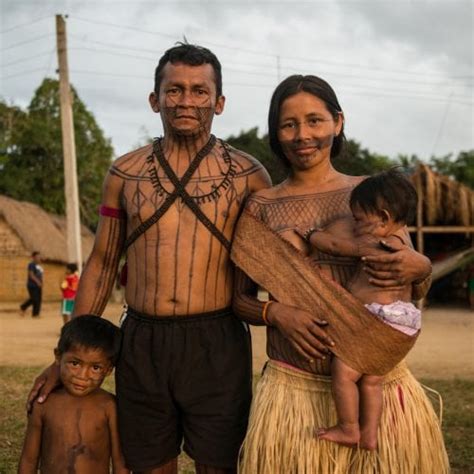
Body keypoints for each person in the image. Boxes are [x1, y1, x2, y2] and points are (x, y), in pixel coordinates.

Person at [26, 43, 271, 474]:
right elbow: (102, 263)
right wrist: (63, 354)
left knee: (220, 462)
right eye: (175, 90)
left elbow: (276, 264)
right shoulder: (125, 173)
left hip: (217, 342)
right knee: (148, 462)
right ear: (155, 99)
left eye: (200, 91)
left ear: (220, 101)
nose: (187, 101)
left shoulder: (250, 176)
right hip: (142, 341)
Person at [232, 75, 449, 472]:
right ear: (275, 132)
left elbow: (410, 286)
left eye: (315, 120)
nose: (303, 135)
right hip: (292, 396)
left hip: (377, 392)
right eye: (289, 124)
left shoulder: (372, 193)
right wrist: (277, 314)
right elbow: (238, 300)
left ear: (339, 122)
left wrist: (423, 266)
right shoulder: (260, 206)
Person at [294, 168, 422, 450]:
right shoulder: (402, 247)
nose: (354, 223)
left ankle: (348, 428)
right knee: (371, 382)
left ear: (384, 219)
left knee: (344, 372)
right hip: (404, 321)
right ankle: (370, 435)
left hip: (379, 320)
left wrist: (312, 235)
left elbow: (338, 246)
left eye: (360, 218)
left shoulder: (375, 242)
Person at [18, 315, 128, 474]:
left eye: (95, 367)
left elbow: (119, 462)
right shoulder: (44, 404)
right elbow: (29, 460)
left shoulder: (109, 407)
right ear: (58, 356)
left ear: (109, 369)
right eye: (75, 363)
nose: (83, 375)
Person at [20, 251, 43, 318]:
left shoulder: (39, 266)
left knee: (38, 299)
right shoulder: (31, 265)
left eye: (39, 257)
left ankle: (35, 314)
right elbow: (31, 275)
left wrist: (41, 283)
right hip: (32, 285)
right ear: (33, 257)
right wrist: (38, 282)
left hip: (39, 285)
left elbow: (40, 275)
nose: (39, 258)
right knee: (34, 299)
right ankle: (23, 307)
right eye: (37, 257)